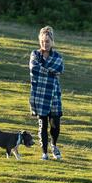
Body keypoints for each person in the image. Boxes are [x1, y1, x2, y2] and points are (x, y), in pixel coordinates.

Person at [29, 26, 64, 160]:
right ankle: (44, 152)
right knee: (42, 124)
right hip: (39, 93)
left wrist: (44, 69)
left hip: (54, 94)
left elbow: (59, 69)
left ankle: (54, 145)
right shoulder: (35, 54)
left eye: (47, 41)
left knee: (55, 125)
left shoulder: (58, 57)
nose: (45, 44)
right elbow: (34, 69)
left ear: (52, 42)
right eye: (43, 41)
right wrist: (50, 71)